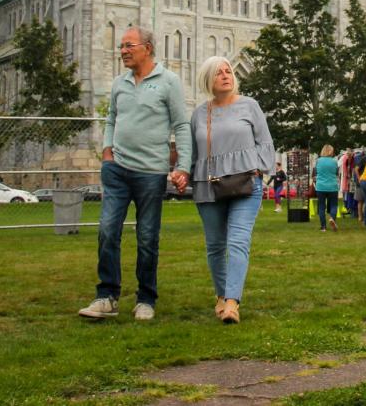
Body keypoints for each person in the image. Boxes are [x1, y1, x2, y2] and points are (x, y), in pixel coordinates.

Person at [79, 27, 191, 322]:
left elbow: (182, 126)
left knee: (146, 237)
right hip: (117, 170)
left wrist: (182, 166)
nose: (123, 51)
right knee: (107, 230)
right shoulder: (119, 83)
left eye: (129, 45)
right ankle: (107, 296)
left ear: (148, 48)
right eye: (121, 46)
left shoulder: (169, 82)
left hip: (151, 173)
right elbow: (112, 119)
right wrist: (106, 151)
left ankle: (146, 298)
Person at [190, 56, 274, 324]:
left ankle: (232, 303)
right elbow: (193, 152)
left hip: (246, 183)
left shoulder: (250, 106)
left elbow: (265, 142)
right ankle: (221, 294)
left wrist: (259, 169)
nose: (226, 75)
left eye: (228, 71)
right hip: (209, 184)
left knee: (238, 241)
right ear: (208, 79)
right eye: (218, 73)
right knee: (215, 245)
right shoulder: (199, 114)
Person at [314, 144, 340, 231]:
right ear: (331, 151)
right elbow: (337, 173)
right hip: (332, 186)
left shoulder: (318, 161)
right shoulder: (334, 161)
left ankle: (323, 227)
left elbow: (316, 172)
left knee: (321, 206)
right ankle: (332, 218)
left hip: (320, 186)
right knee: (333, 205)